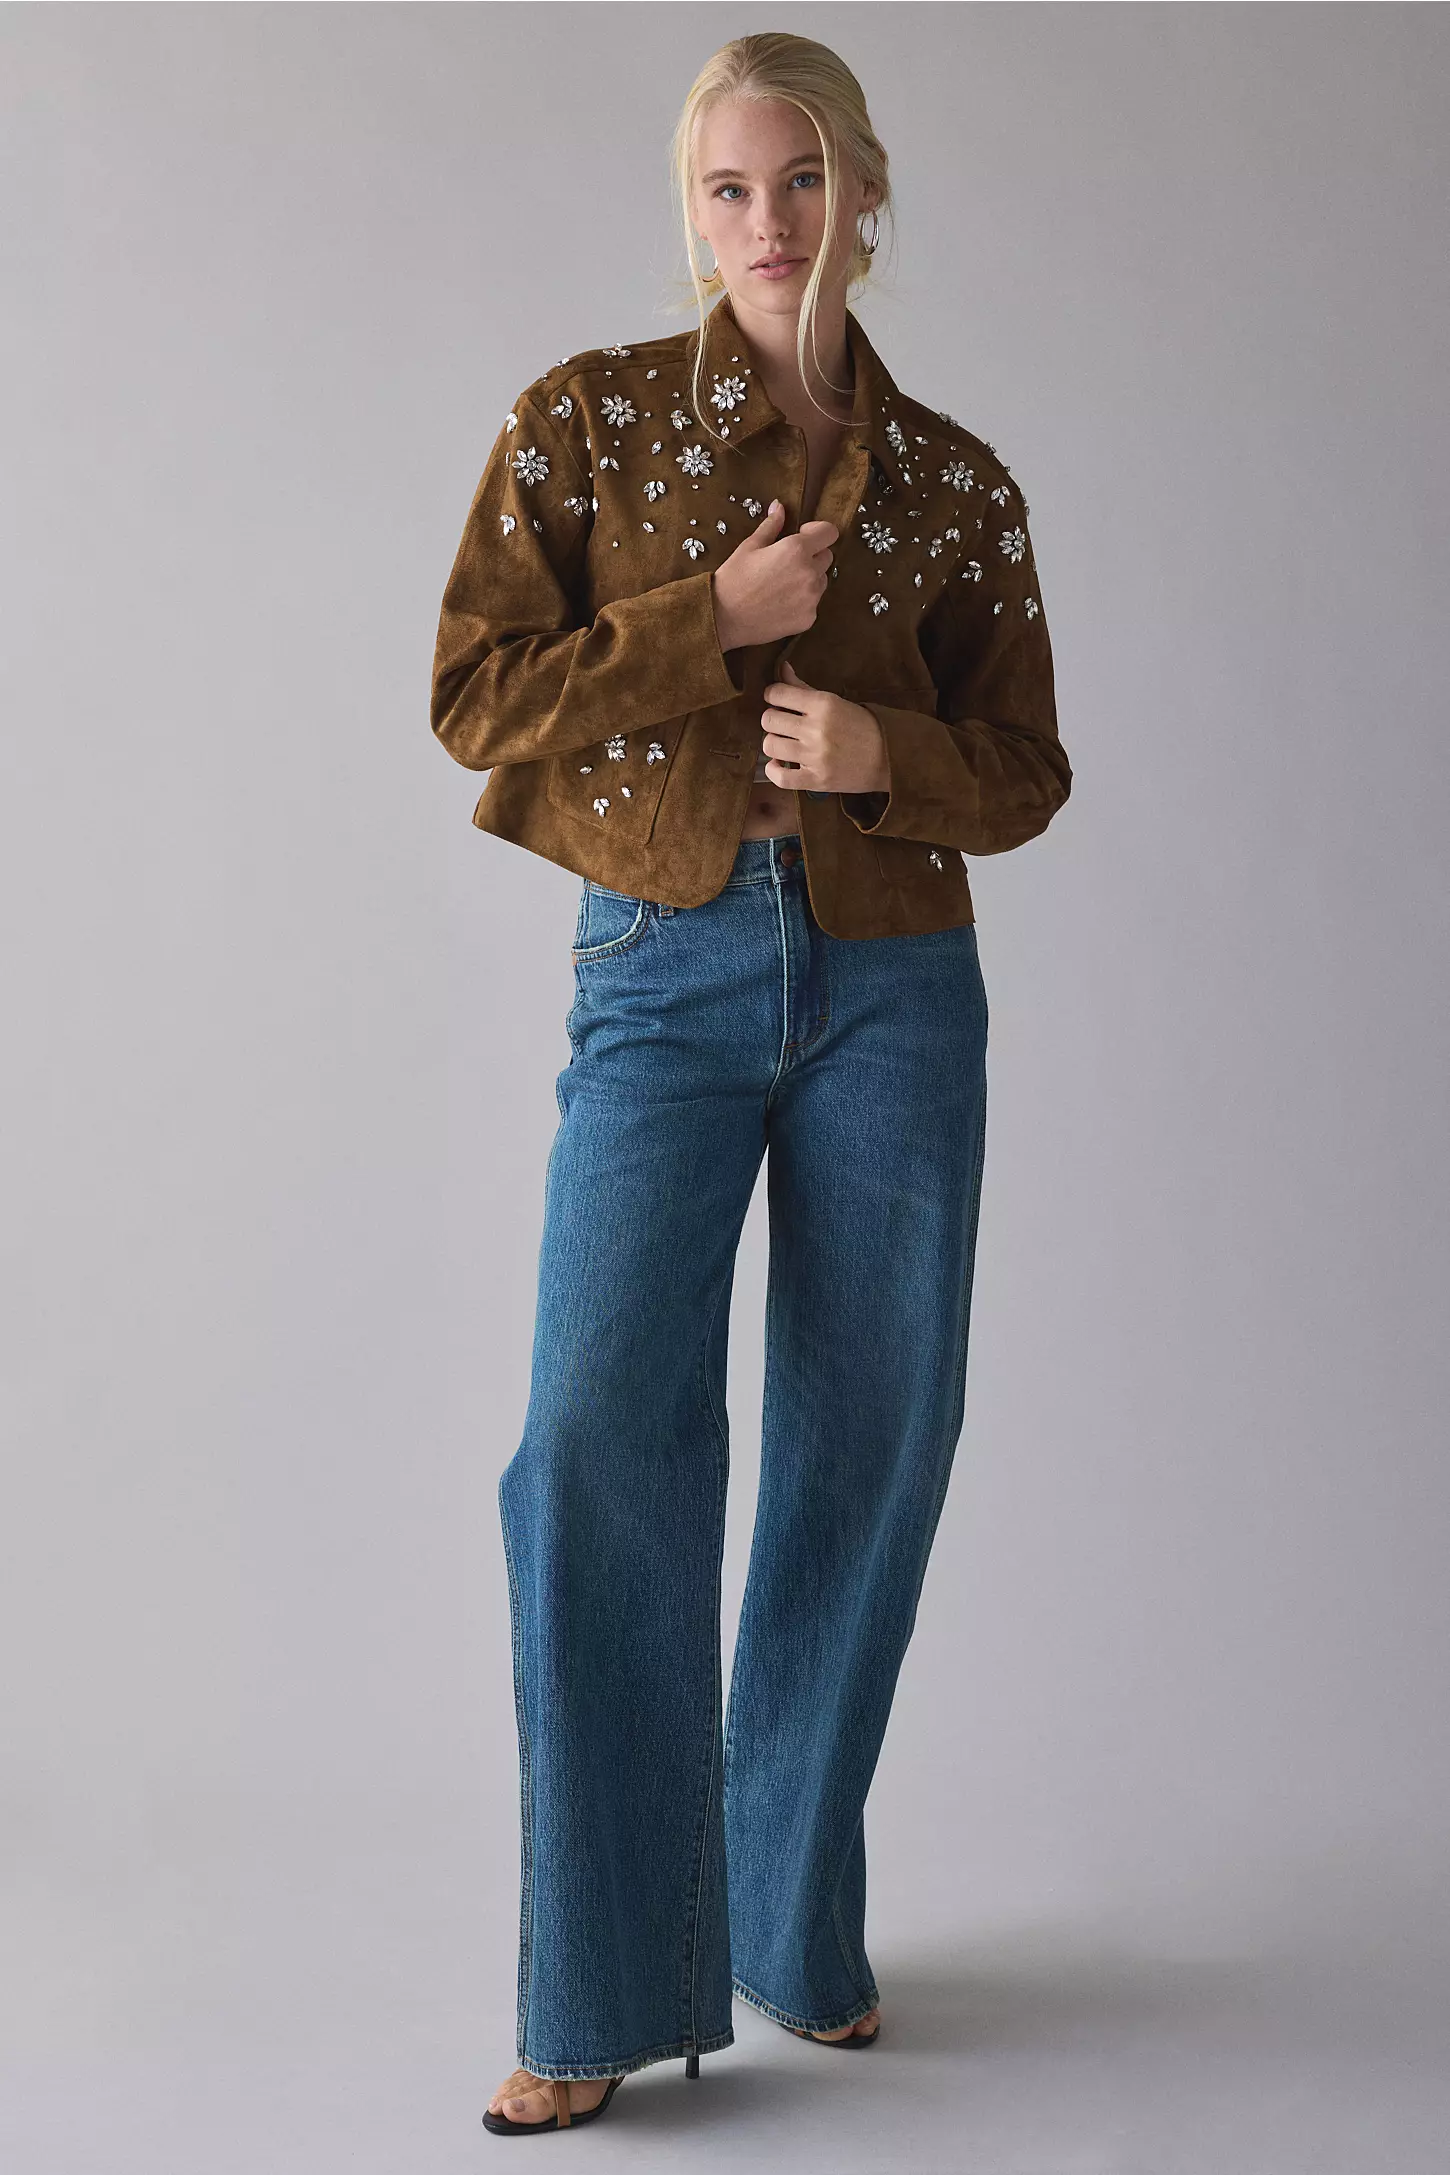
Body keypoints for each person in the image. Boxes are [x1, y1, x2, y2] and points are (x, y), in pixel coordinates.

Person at [429, 31, 1072, 2139]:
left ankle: (791, 1916)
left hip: (899, 985)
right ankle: (596, 1984)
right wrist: (701, 619)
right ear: (688, 209)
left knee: (872, 1439)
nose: (768, 221)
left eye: (801, 180)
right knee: (594, 1434)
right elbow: (470, 692)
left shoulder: (954, 480)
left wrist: (889, 759)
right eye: (728, 187)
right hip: (662, 970)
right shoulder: (586, 417)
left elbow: (1027, 770)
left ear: (862, 193)